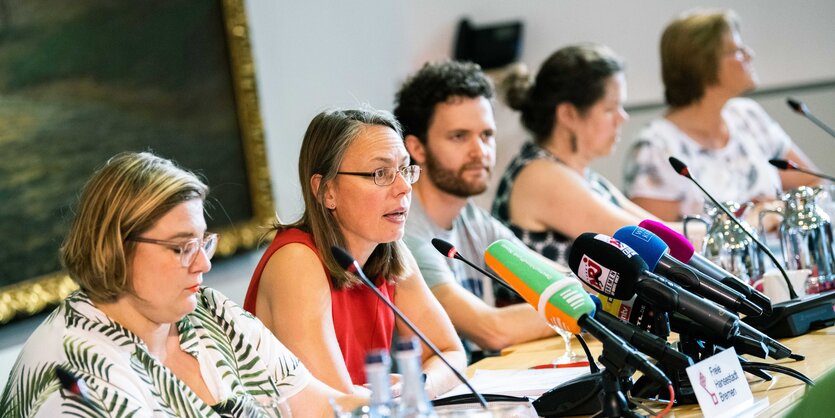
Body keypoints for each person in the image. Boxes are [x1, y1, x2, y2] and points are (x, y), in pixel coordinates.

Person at [0, 152, 363, 418]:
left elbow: (322, 407)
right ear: (116, 248)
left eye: (203, 243)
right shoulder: (78, 375)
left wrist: (403, 402)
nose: (203, 263)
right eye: (181, 247)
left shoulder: (209, 312)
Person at [244, 108, 465, 399]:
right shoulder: (295, 262)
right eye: (380, 173)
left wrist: (418, 386)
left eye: (405, 169)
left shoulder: (390, 255)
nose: (403, 188)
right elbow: (336, 405)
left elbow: (451, 354)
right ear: (327, 191)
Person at [393, 61, 555, 358]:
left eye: (486, 135)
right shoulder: (403, 233)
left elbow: (550, 279)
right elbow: (490, 329)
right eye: (459, 136)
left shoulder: (474, 219)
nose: (480, 151)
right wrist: (588, 306)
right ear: (416, 148)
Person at [623, 9, 820, 221]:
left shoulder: (748, 116)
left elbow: (815, 184)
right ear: (703, 63)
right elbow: (656, 242)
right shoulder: (656, 146)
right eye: (736, 50)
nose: (749, 54)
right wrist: (751, 223)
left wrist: (778, 209)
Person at [493, 44, 663, 266]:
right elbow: (648, 245)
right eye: (610, 109)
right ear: (568, 114)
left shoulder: (581, 175)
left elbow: (657, 230)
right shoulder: (541, 176)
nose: (622, 118)